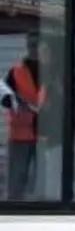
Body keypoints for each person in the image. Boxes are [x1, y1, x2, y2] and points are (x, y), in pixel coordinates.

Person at [1, 31, 43, 200]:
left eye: (37, 44)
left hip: (46, 137)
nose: (33, 48)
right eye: (31, 44)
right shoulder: (16, 71)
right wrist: (15, 103)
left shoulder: (53, 70)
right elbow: (4, 97)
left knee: (43, 184)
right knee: (16, 182)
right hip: (20, 135)